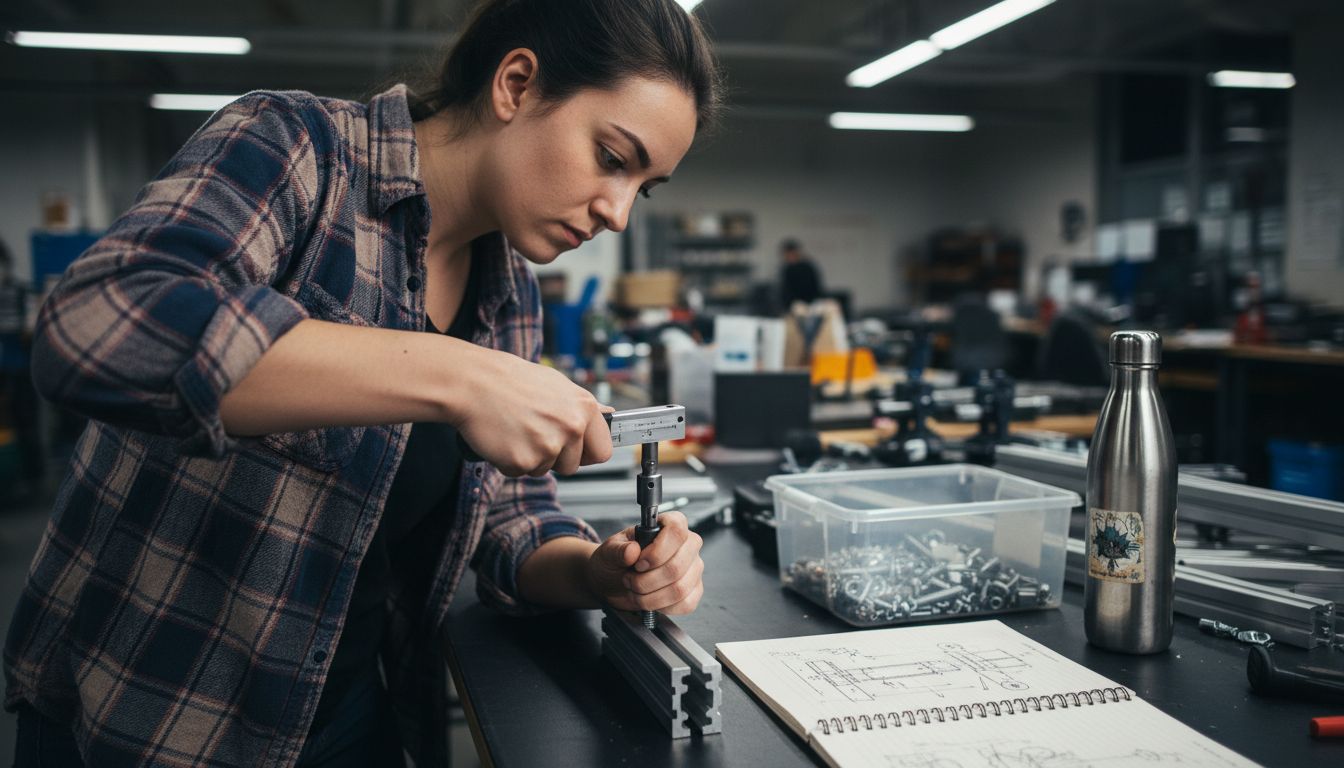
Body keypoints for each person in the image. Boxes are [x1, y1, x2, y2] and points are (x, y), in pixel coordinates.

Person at [3, 1, 720, 765]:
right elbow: (99, 324)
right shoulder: (297, 148)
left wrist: (595, 571)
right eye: (613, 157)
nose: (616, 212)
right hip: (151, 716)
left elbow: (508, 511)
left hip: (350, 711)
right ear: (515, 84)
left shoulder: (508, 291)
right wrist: (453, 374)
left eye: (643, 188)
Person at [779, 237, 823, 307]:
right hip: (794, 304)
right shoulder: (786, 269)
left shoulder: (807, 267)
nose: (789, 257)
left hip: (810, 302)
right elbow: (785, 291)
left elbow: (815, 287)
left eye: (791, 254)